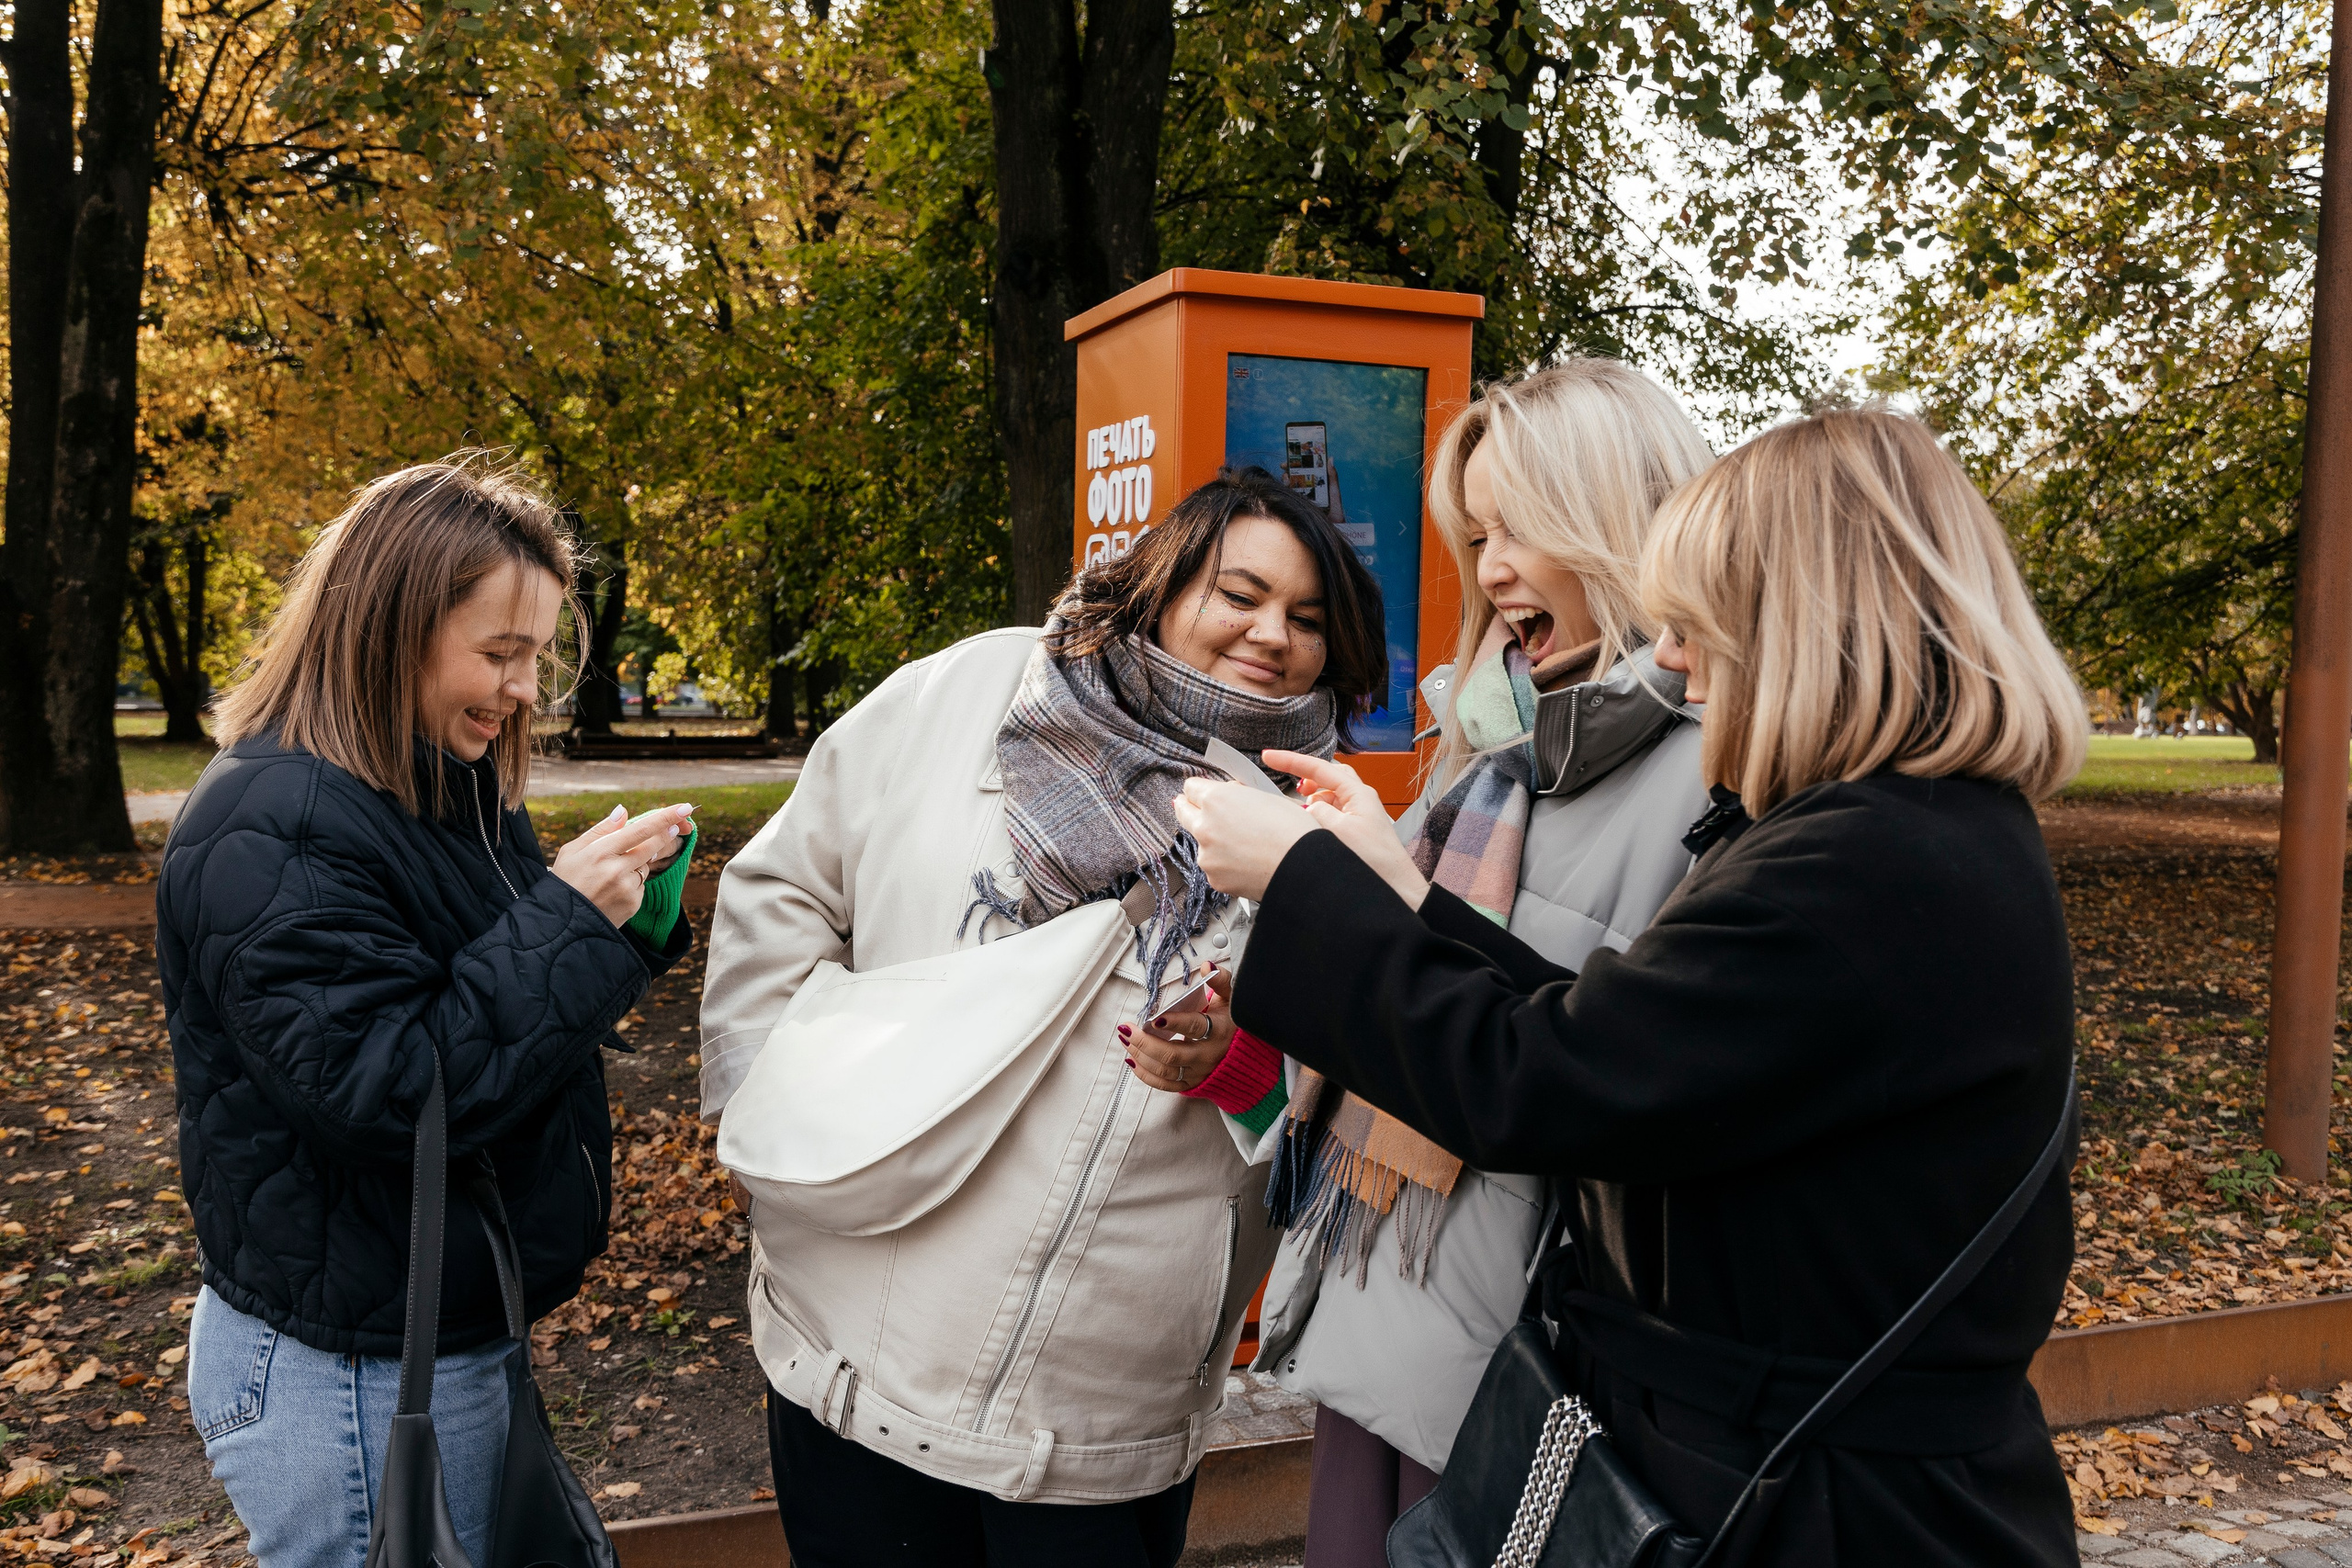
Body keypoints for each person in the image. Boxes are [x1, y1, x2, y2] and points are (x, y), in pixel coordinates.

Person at [1173, 407, 2085, 1565]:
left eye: (1700, 626)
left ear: (1799, 629)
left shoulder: (1865, 864)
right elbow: (1620, 1038)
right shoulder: (1910, 837)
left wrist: (1303, 881)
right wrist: (1395, 895)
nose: (1674, 660)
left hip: (1816, 1507)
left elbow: (1550, 1080)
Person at [698, 467, 1387, 1568]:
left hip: (1096, 1399)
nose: (1273, 635)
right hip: (858, 1328)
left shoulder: (1326, 830)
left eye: (1308, 619)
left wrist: (1229, 1062)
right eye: (1240, 593)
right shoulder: (971, 691)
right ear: (1163, 586)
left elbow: (1324, 1118)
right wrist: (769, 1103)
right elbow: (783, 891)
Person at [160, 459, 697, 1566]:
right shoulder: (272, 822)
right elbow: (393, 1097)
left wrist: (620, 935)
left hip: (435, 1332)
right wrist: (566, 924)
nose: (525, 690)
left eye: (537, 656)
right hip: (346, 1374)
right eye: (500, 654)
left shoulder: (434, 791)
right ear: (388, 630)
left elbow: (483, 1007)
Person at [1232, 360, 1714, 1565]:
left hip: (1522, 1361)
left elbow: (1608, 1060)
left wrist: (1348, 894)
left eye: (1521, 529)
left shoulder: (1718, 764)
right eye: (1477, 533)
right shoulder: (1496, 742)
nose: (1490, 569)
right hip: (1390, 1313)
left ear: (1622, 516)